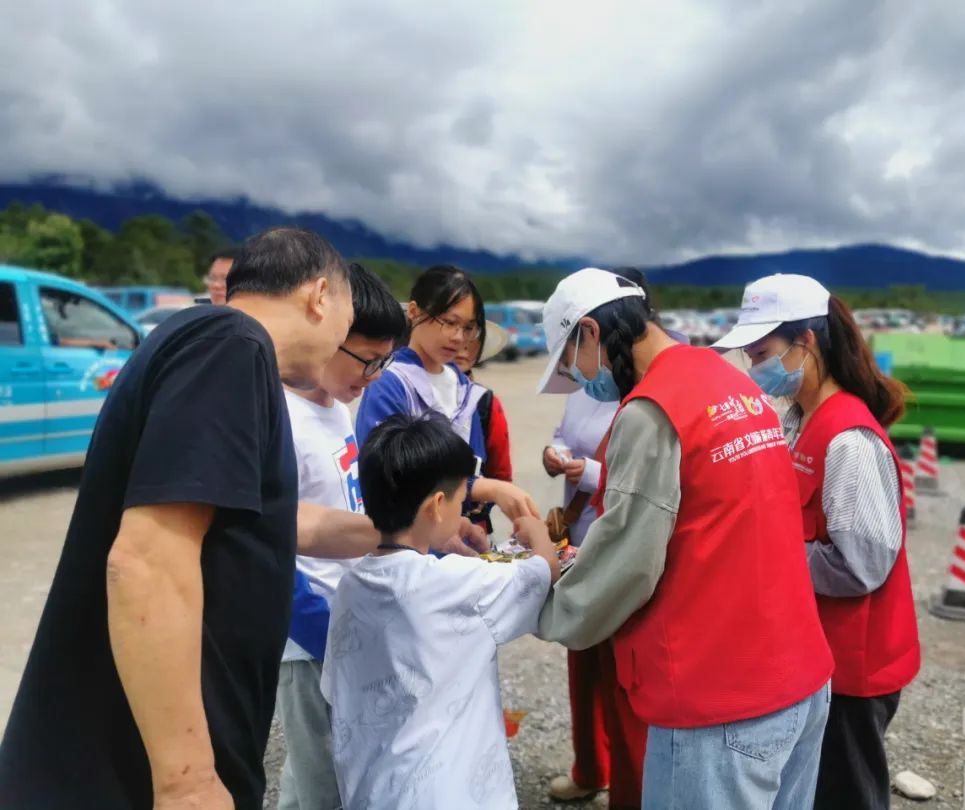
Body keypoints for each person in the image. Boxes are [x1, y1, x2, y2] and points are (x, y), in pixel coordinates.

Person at [0, 227, 481, 810]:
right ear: (320, 296)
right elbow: (146, 561)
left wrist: (408, 533)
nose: (344, 350)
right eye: (348, 323)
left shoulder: (212, 347)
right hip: (129, 771)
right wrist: (188, 781)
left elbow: (283, 523)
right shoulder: (230, 343)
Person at [535, 267, 834, 810]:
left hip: (719, 700)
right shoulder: (730, 380)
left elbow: (629, 562)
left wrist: (543, 604)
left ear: (590, 333)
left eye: (569, 363)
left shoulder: (652, 410)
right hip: (801, 676)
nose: (579, 381)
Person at [713, 274, 920, 810]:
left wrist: (765, 558)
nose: (753, 368)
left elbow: (861, 567)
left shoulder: (848, 438)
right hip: (818, 654)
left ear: (806, 343)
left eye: (761, 353)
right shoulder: (799, 419)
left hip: (855, 665)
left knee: (845, 794)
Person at [321, 413, 559, 810]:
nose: (462, 509)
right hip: (452, 794)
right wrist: (535, 532)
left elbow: (334, 686)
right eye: (459, 500)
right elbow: (542, 572)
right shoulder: (457, 581)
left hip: (373, 790)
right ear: (435, 505)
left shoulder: (351, 585)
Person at [276, 262, 407, 810]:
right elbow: (272, 546)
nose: (373, 376)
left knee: (319, 772)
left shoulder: (337, 405)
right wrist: (328, 635)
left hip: (344, 622)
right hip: (309, 641)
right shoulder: (277, 414)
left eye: (385, 362)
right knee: (322, 782)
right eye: (366, 359)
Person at [541, 268, 646, 805]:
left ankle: (629, 784)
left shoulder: (643, 399)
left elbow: (642, 487)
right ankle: (590, 766)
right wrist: (555, 455)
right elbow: (561, 433)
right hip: (578, 539)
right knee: (583, 664)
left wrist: (581, 471)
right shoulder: (587, 387)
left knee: (625, 679)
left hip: (619, 546)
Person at [356, 264, 539, 524]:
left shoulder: (463, 389)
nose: (458, 337)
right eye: (450, 323)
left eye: (468, 328)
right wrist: (485, 488)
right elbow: (389, 474)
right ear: (414, 311)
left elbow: (475, 463)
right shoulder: (391, 383)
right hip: (409, 548)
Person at [454, 320, 513, 483]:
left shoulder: (485, 403)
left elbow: (500, 475)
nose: (463, 345)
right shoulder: (405, 390)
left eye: (472, 336)